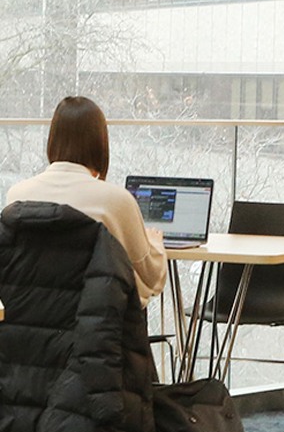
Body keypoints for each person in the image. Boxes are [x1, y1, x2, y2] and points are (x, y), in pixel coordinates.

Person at [6, 96, 166, 306]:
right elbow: (152, 278)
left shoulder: (17, 196)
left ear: (52, 140)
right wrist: (155, 243)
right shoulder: (116, 201)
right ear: (100, 144)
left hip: (29, 327)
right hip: (99, 330)